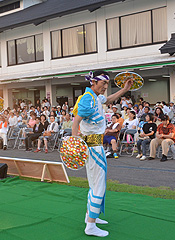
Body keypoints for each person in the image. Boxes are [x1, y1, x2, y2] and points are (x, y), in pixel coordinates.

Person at [71, 70, 133, 237]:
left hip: (95, 146)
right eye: (103, 83)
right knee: (99, 186)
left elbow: (109, 99)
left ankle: (91, 217)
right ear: (93, 82)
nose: (105, 86)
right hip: (92, 147)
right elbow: (76, 121)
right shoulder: (87, 99)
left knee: (95, 184)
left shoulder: (94, 97)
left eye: (107, 83)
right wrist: (75, 144)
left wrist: (125, 89)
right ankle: (90, 226)